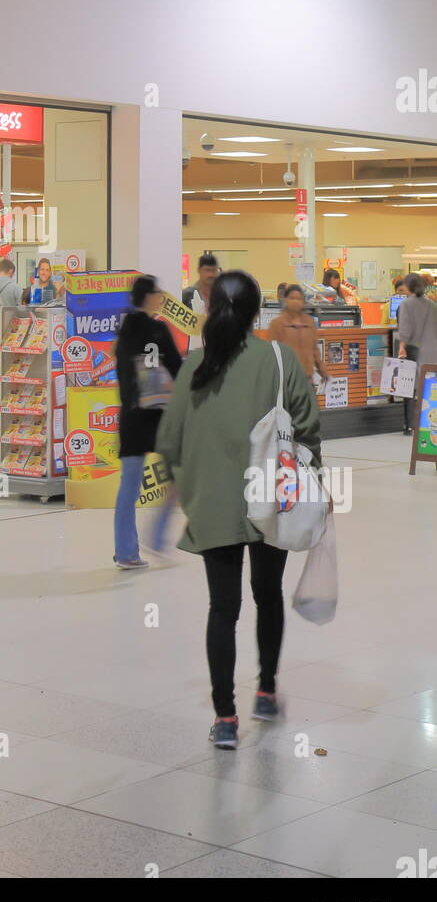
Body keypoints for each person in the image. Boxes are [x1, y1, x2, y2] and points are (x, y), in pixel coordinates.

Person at [157, 270, 321, 750]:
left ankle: (225, 718)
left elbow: (169, 442)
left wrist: (193, 489)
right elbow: (307, 426)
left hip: (213, 503)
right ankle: (266, 690)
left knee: (222, 608)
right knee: (268, 595)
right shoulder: (279, 359)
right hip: (272, 496)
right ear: (257, 312)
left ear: (212, 311)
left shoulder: (195, 366)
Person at [113, 275, 182, 568]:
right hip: (159, 415)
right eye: (158, 293)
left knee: (128, 485)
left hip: (131, 415)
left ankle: (126, 552)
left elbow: (122, 374)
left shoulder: (124, 330)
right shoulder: (158, 329)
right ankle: (157, 536)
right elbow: (177, 368)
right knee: (179, 474)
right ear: (149, 297)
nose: (161, 297)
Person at [397, 273, 437, 434]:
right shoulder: (431, 304)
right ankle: (430, 424)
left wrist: (401, 346)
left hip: (413, 349)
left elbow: (405, 330)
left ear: (408, 286)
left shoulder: (407, 304)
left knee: (411, 389)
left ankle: (411, 425)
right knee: (430, 389)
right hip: (431, 351)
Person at [267, 284, 328, 384]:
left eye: (298, 298)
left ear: (303, 301)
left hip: (307, 380)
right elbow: (272, 355)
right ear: (285, 300)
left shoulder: (309, 322)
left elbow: (315, 351)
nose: (295, 301)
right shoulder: (277, 324)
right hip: (286, 381)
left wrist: (323, 372)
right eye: (292, 298)